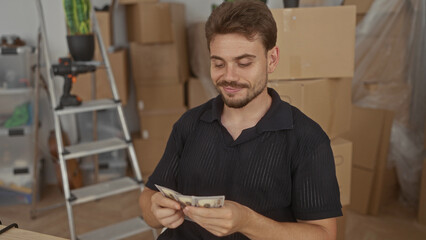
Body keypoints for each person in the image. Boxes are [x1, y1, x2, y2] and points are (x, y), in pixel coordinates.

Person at [139, 1, 342, 239]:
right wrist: (154, 210)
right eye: (218, 63)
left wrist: (247, 222)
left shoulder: (308, 139)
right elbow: (147, 199)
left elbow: (323, 235)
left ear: (272, 59)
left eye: (244, 63)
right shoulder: (189, 124)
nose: (229, 77)